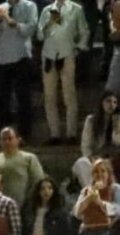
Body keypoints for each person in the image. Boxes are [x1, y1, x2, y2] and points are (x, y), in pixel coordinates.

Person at [37, 0, 89, 145]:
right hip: (49, 55)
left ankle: (71, 133)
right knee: (49, 96)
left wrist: (78, 48)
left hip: (67, 54)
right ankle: (54, 134)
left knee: (69, 95)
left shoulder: (76, 9)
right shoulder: (47, 10)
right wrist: (49, 23)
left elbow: (84, 31)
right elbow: (39, 36)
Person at [0, 1, 38, 139]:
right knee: (2, 99)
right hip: (2, 58)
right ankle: (4, 135)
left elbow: (29, 30)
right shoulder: (1, 7)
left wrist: (12, 22)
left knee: (23, 98)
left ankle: (24, 135)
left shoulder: (29, 6)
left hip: (21, 56)